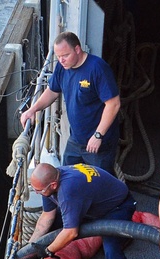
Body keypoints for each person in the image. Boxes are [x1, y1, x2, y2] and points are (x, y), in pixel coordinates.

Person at [20, 32, 121, 174]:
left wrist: (98, 135)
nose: (61, 60)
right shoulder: (63, 67)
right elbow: (53, 91)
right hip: (76, 139)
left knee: (99, 184)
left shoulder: (97, 68)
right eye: (58, 56)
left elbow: (114, 104)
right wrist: (33, 109)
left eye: (65, 55)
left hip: (98, 142)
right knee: (65, 176)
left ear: (77, 49)